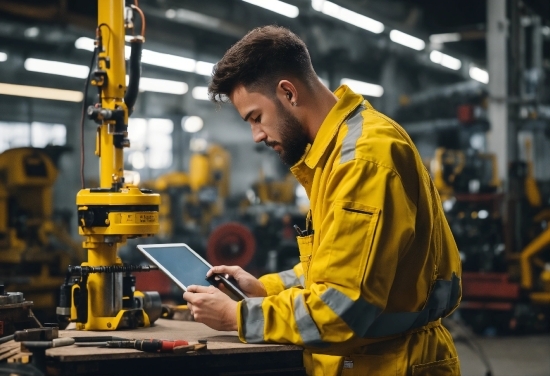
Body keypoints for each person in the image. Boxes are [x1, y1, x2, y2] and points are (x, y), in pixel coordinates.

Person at [183, 25, 462, 376]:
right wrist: (264, 288)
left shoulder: (362, 160)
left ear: (288, 93)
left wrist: (236, 315)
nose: (256, 135)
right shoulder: (332, 156)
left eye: (256, 117)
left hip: (393, 365)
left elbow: (341, 310)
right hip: (369, 360)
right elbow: (334, 270)